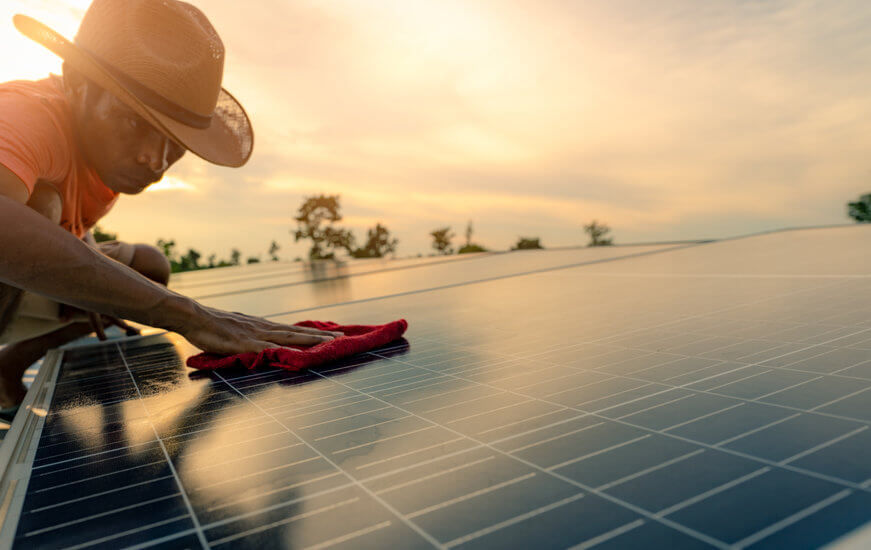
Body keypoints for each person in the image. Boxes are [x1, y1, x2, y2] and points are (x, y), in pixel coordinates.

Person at [0, 0, 341, 412]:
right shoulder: (24, 114)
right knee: (40, 208)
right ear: (75, 80)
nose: (156, 161)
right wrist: (189, 315)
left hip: (15, 294)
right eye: (133, 122)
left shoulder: (99, 152)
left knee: (144, 270)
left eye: (174, 141)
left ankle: (8, 366)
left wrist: (95, 266)